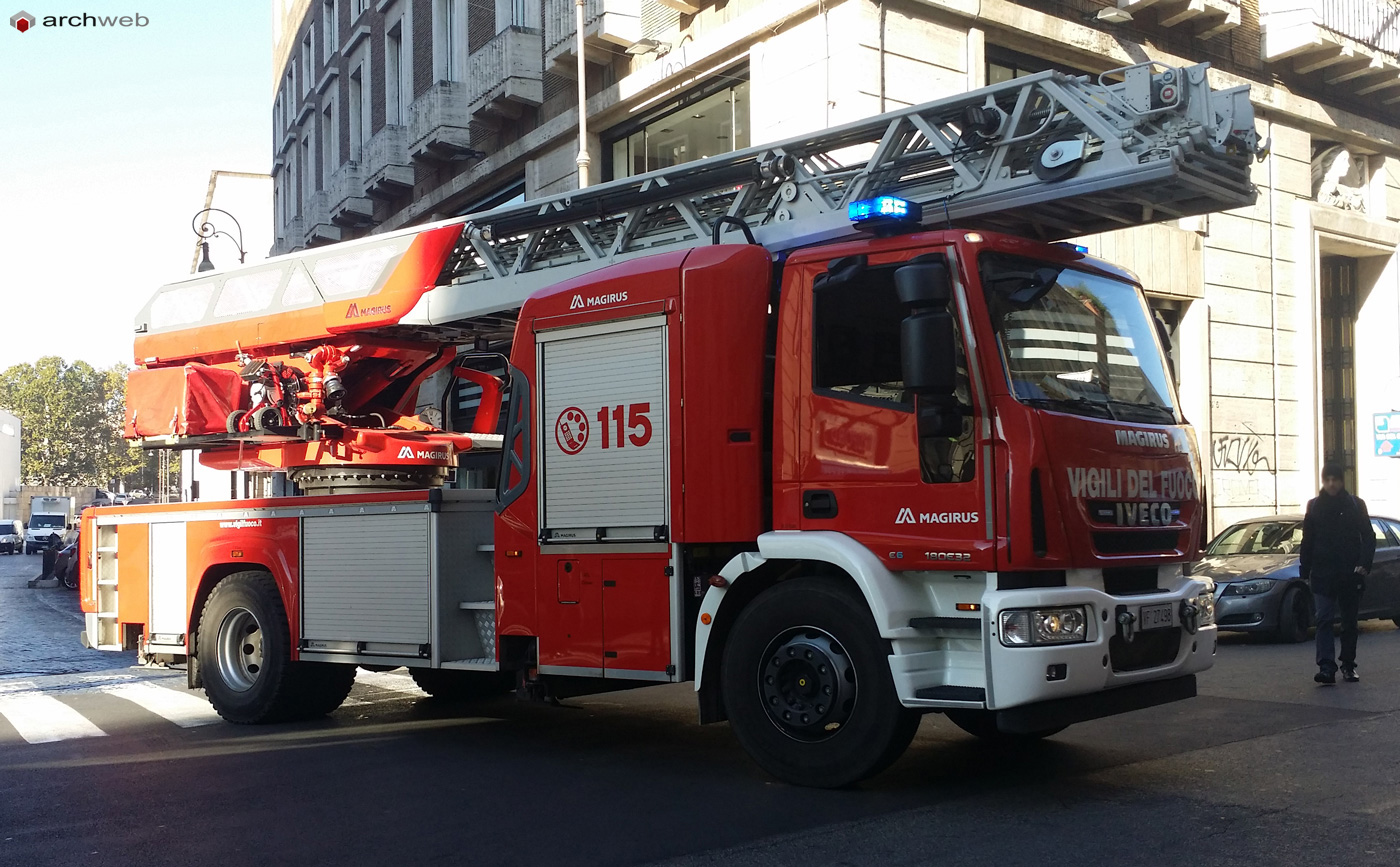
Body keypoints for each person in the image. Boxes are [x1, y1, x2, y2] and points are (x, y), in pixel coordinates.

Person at [1298, 463, 1374, 684]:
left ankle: (1348, 665)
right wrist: (1305, 569)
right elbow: (1307, 541)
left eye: (1335, 479)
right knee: (1323, 619)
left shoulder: (1355, 505)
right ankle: (1326, 667)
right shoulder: (1314, 506)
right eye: (1327, 479)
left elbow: (1368, 537)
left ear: (1342, 481)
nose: (1331, 484)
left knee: (1349, 622)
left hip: (1349, 574)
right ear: (1323, 481)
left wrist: (1363, 565)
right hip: (1322, 573)